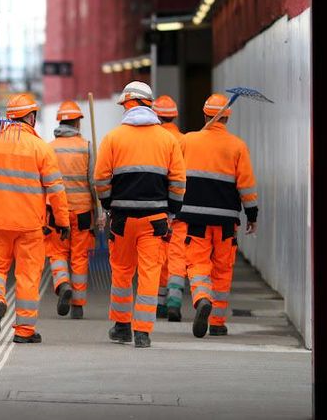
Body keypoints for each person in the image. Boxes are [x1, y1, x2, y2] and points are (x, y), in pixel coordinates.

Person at [0, 93, 71, 344]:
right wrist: (63, 222)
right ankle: (24, 330)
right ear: (31, 117)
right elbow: (56, 190)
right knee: (28, 275)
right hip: (30, 226)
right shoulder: (41, 149)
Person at [95, 81, 186, 348]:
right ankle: (143, 332)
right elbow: (179, 181)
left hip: (122, 218)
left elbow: (100, 178)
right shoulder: (167, 140)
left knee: (122, 272)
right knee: (150, 273)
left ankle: (122, 327)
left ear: (129, 104)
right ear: (148, 104)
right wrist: (172, 211)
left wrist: (107, 204)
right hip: (155, 219)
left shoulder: (113, 138)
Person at [178, 93, 259, 338]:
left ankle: (202, 297)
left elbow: (175, 175)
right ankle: (217, 322)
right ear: (227, 118)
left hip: (194, 219)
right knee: (222, 269)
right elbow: (246, 185)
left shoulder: (188, 141)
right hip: (226, 221)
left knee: (197, 263)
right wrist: (252, 215)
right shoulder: (237, 146)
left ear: (205, 115)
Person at [45, 101, 96, 320]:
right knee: (80, 256)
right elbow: (94, 182)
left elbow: (43, 184)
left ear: (61, 121)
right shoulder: (87, 146)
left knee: (57, 253)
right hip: (83, 212)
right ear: (76, 121)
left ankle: (63, 283)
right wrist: (100, 212)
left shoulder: (49, 148)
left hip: (57, 212)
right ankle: (78, 305)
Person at [151, 95, 188, 322]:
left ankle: (160, 304)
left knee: (157, 256)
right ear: (174, 115)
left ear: (155, 115)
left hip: (158, 208)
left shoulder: (155, 140)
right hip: (180, 207)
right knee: (177, 256)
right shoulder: (185, 140)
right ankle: (174, 301)